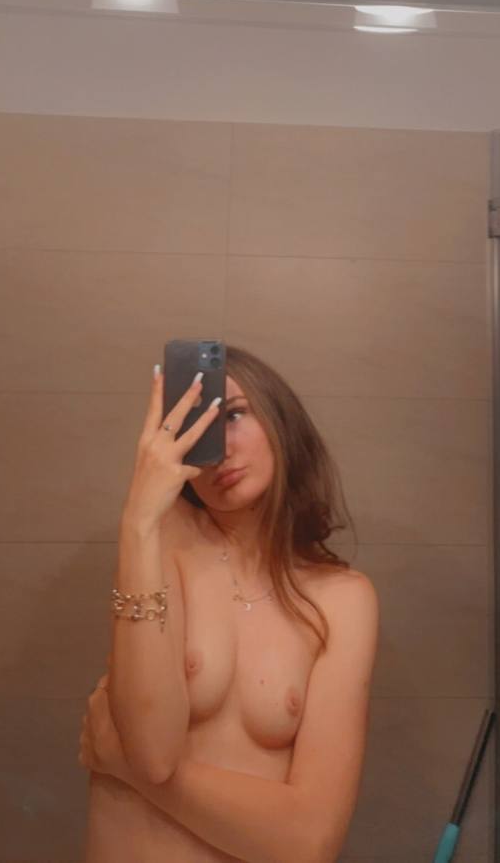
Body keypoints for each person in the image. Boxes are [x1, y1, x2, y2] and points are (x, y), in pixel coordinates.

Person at [79, 344, 379, 863]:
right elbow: (152, 753)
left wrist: (119, 761)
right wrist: (140, 519)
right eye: (196, 428)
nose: (218, 450)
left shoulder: (342, 599)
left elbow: (310, 843)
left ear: (279, 419)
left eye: (233, 415)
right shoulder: (161, 548)